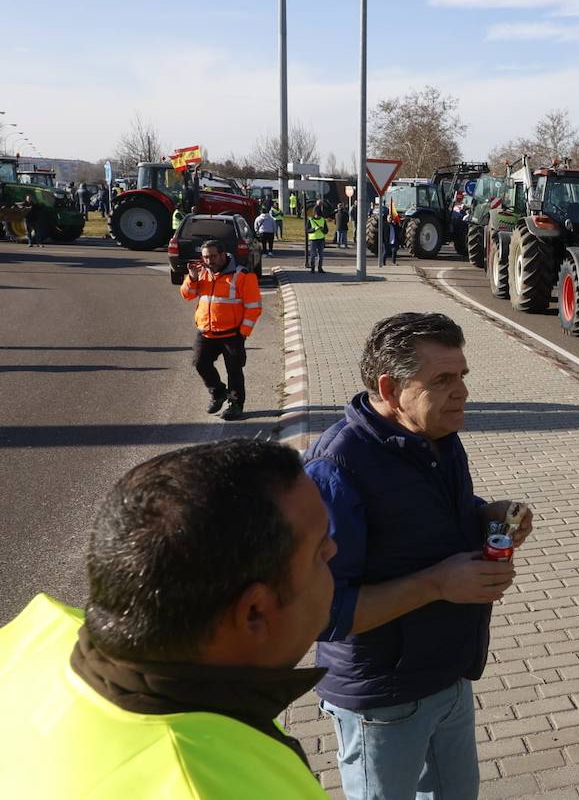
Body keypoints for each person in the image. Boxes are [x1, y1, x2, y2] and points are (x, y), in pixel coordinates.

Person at [0, 440, 336, 799]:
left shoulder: (36, 637)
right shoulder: (205, 786)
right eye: (320, 550)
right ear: (254, 613)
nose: (335, 550)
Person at [305, 312, 534, 800]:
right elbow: (320, 612)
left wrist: (485, 513)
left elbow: (424, 513)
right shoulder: (336, 468)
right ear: (390, 389)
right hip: (383, 703)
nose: (463, 392)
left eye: (463, 376)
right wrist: (437, 583)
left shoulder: (437, 437)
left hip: (449, 677)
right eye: (443, 380)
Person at [181, 239, 261, 421]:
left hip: (232, 334)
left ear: (223, 255)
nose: (209, 261)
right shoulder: (200, 273)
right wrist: (192, 277)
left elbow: (254, 306)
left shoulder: (242, 275)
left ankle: (236, 405)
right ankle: (218, 393)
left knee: (234, 371)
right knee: (200, 363)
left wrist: (243, 332)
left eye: (213, 256)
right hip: (206, 332)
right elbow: (187, 295)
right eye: (205, 257)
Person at [306, 206, 328, 273]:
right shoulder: (310, 220)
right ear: (314, 214)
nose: (318, 217)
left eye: (319, 216)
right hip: (313, 239)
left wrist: (322, 229)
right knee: (313, 254)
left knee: (321, 255)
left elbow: (326, 231)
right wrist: (314, 229)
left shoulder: (323, 220)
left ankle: (320, 268)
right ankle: (312, 268)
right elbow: (307, 230)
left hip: (321, 239)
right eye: (317, 215)